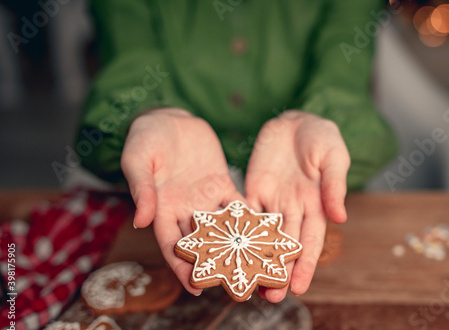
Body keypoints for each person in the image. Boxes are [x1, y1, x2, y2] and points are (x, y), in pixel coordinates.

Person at [76, 0, 397, 303]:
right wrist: (146, 115)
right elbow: (127, 64)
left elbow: (344, 72)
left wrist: (322, 118)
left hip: (301, 189)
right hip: (168, 198)